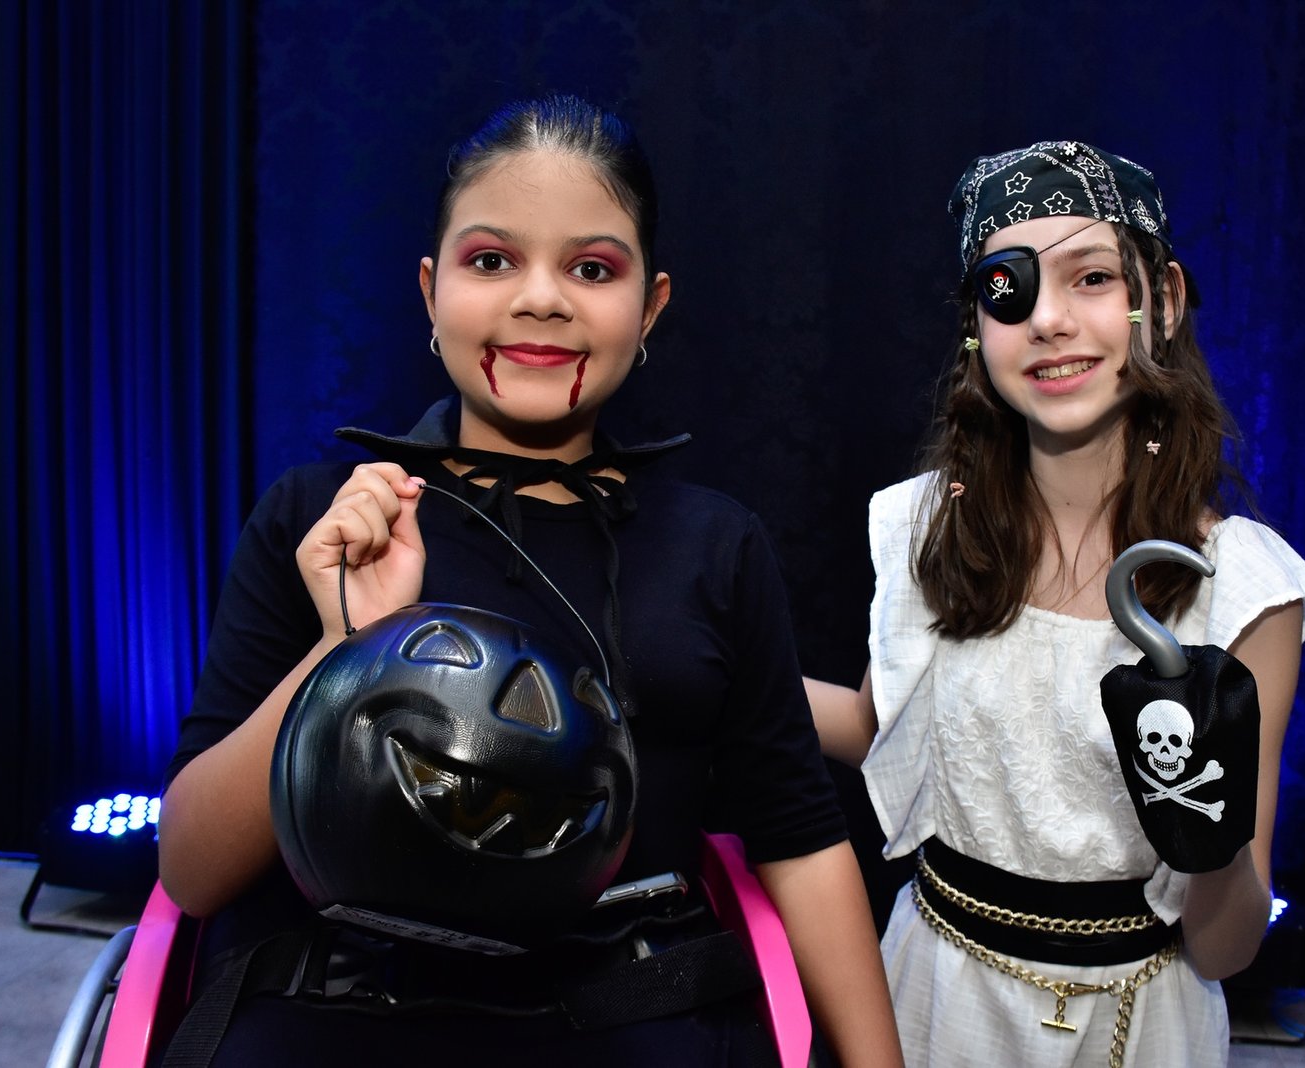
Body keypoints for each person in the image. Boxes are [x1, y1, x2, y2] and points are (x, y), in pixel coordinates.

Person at [158, 94, 903, 1067]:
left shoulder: (715, 544)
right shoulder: (322, 519)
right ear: (430, 291)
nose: (541, 299)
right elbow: (193, 872)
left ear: (651, 307)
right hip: (343, 1010)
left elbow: (798, 839)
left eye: (591, 269)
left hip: (631, 1015)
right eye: (491, 261)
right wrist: (347, 644)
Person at [805, 141, 1305, 1067]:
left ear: (1160, 300)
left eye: (1091, 277)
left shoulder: (1241, 591)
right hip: (939, 1001)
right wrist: (710, 670)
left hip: (1141, 1022)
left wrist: (1208, 835)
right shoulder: (932, 527)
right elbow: (877, 725)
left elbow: (1226, 948)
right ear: (978, 327)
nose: (1048, 319)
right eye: (1007, 288)